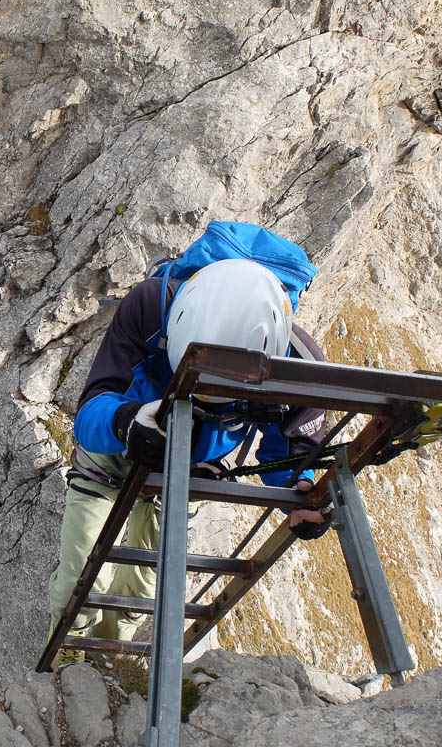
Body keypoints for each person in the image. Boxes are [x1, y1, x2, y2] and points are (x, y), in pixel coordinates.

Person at [47, 258, 330, 668]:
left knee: (139, 593)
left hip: (181, 475)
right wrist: (126, 421)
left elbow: (289, 453)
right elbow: (92, 409)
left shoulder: (300, 367)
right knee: (80, 580)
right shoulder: (149, 307)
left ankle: (106, 661)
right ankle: (68, 651)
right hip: (113, 456)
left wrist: (299, 494)